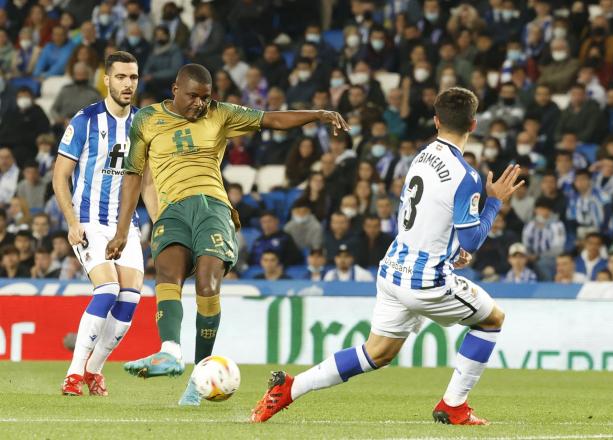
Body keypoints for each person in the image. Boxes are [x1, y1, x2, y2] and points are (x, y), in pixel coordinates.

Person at [251, 87, 524, 425]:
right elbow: (472, 237)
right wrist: (494, 200)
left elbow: (428, 216)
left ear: (436, 121)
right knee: (492, 320)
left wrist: (452, 251)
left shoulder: (422, 156)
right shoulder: (465, 175)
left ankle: (289, 389)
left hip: (393, 269)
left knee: (376, 353)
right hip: (426, 281)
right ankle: (454, 405)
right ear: (474, 123)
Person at [105, 63, 348, 406]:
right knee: (167, 272)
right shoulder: (146, 120)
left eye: (205, 98)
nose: (200, 104)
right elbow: (132, 175)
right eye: (193, 97)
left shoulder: (222, 114)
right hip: (172, 210)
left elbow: (271, 119)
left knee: (207, 283)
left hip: (214, 208)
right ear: (175, 89)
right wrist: (121, 230)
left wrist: (318, 114)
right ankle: (170, 352)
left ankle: (197, 375)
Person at [53, 52, 156, 397]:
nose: (128, 84)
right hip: (89, 221)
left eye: (134, 77)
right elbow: (60, 176)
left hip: (126, 224)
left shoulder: (144, 123)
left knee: (130, 297)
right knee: (108, 289)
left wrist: (159, 224)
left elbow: (150, 182)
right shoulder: (85, 120)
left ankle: (94, 370)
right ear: (107, 80)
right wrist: (71, 222)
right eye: (122, 77)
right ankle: (73, 374)